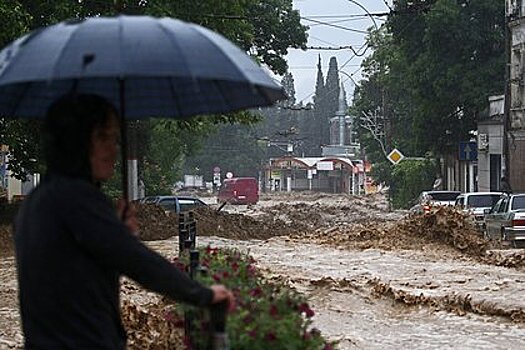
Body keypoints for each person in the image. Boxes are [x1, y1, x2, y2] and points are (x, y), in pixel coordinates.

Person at [14, 94, 234, 349]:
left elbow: (74, 275)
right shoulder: (77, 199)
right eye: (102, 137)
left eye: (115, 138)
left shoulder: (36, 202)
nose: (113, 148)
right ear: (75, 142)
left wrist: (115, 230)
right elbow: (139, 262)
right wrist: (204, 295)